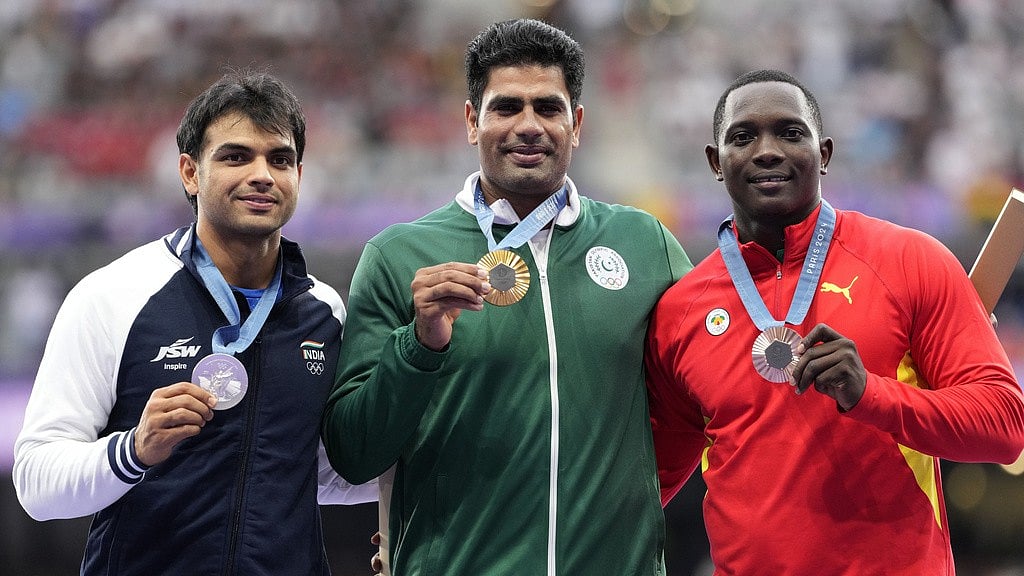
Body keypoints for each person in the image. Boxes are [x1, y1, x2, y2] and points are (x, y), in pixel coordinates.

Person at [321, 18, 692, 575]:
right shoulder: (399, 256)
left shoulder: (645, 245)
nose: (528, 126)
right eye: (506, 107)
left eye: (548, 108)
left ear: (578, 123)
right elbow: (353, 454)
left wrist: (626, 502)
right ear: (472, 121)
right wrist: (418, 345)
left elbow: (703, 396)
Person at [644, 68, 1024, 575]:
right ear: (716, 162)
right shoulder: (680, 310)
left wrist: (871, 394)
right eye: (743, 136)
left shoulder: (911, 260)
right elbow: (651, 484)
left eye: (790, 132)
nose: (767, 150)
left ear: (823, 154)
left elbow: (1003, 425)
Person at [13, 69, 376, 575]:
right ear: (189, 172)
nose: (262, 175)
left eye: (280, 158)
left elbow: (317, 474)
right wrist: (133, 451)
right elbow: (36, 484)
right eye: (235, 156)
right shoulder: (113, 296)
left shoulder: (324, 310)